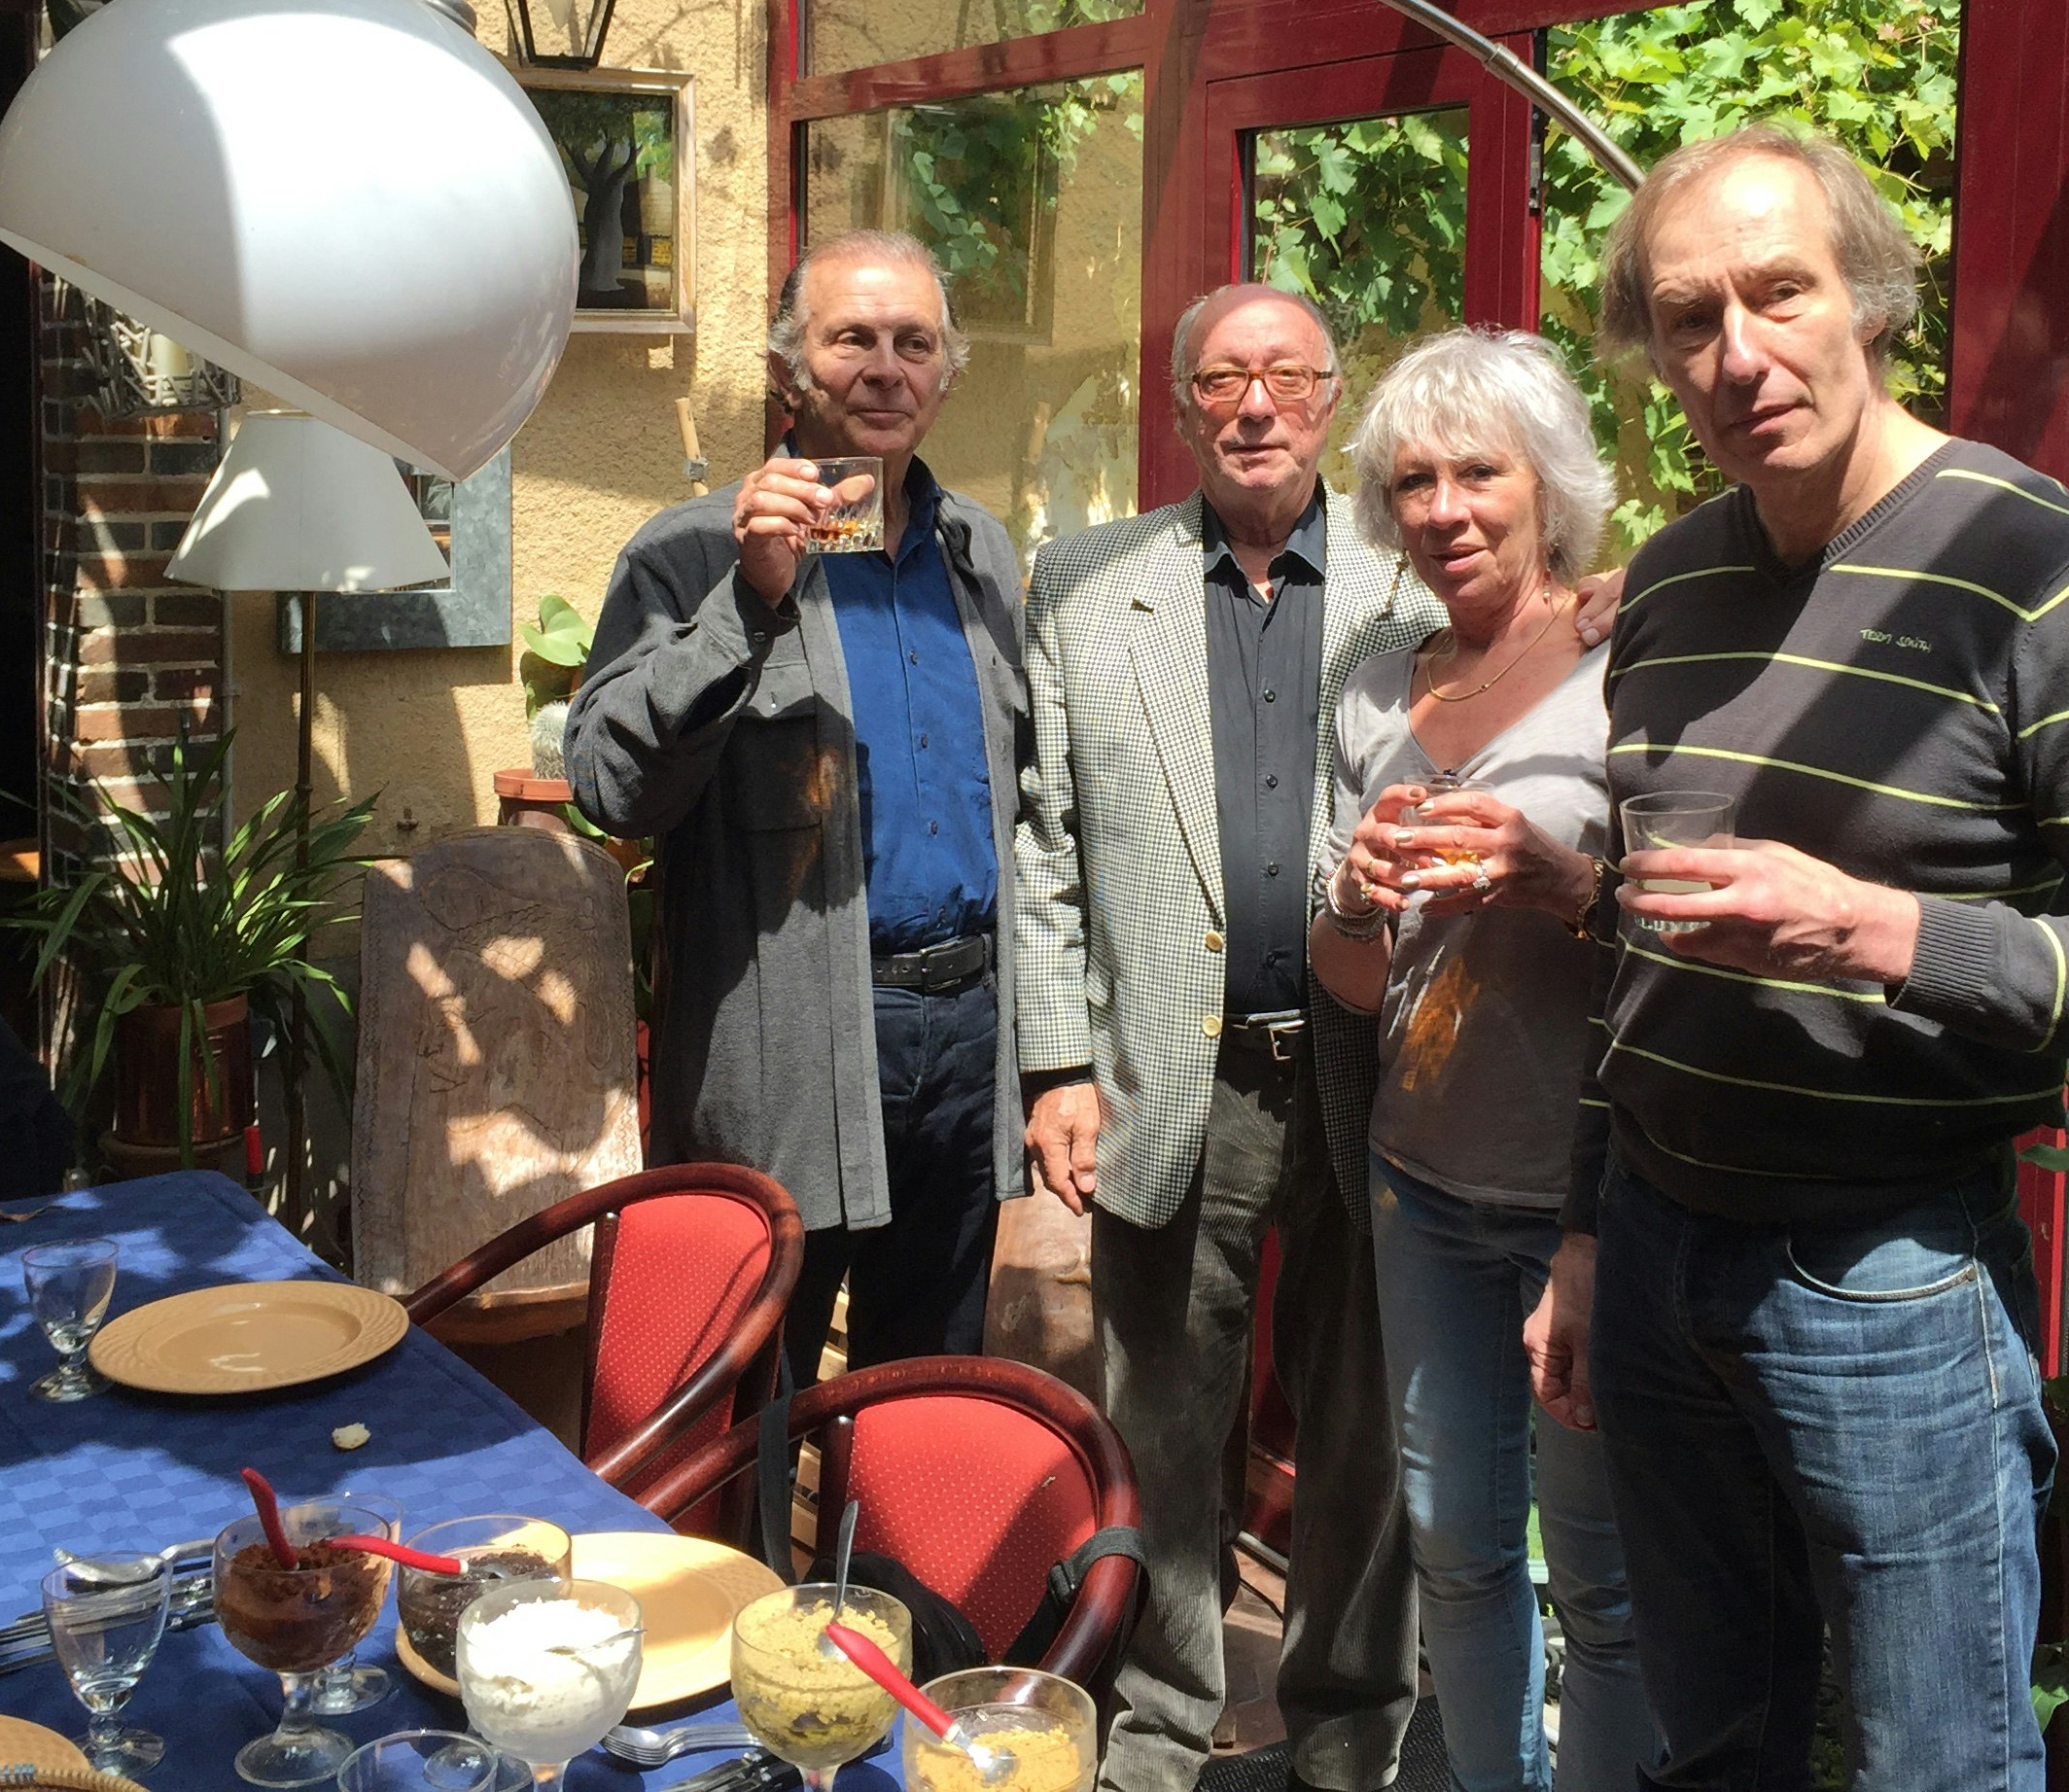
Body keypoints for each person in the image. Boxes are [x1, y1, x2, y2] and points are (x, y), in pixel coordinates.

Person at [1521, 128, 2069, 1792]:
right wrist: (1580, 1226)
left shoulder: (2036, 569)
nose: (1737, 353)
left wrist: (1875, 926)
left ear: (1865, 298)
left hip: (1882, 1280)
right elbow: (1630, 951)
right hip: (1652, 1247)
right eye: (1686, 316)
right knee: (1709, 1742)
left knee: (1939, 1762)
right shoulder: (1677, 578)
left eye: (1776, 293)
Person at [1013, 284, 1444, 1792]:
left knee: (1361, 1435)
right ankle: (1159, 1728)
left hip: (1372, 1083)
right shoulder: (1082, 583)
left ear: (1332, 396)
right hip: (1166, 1078)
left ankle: (1346, 1734)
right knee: (1165, 1426)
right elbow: (1046, 844)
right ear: (1184, 407)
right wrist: (1058, 1065)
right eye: (1221, 380)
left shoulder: (1422, 585)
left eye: (1285, 377)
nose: (1254, 405)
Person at [567, 229, 1027, 1387]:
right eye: (852, 340)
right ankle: (757, 1578)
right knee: (749, 1398)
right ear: (789, 368)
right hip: (792, 1038)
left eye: (914, 343)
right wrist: (748, 601)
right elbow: (610, 788)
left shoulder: (981, 552)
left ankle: (894, 1580)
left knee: (927, 1384)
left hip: (968, 1035)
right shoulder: (687, 553)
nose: (886, 369)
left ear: (947, 370)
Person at [1306, 329, 1648, 1792]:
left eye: (1478, 474)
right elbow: (1349, 983)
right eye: (1413, 482)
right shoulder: (1378, 691)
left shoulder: (1636, 660)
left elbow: (1696, 940)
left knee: (1604, 1582)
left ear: (1549, 486)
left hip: (1588, 1193)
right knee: (1454, 1555)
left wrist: (1561, 881)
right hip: (1421, 1179)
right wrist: (1348, 894)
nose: (1444, 508)